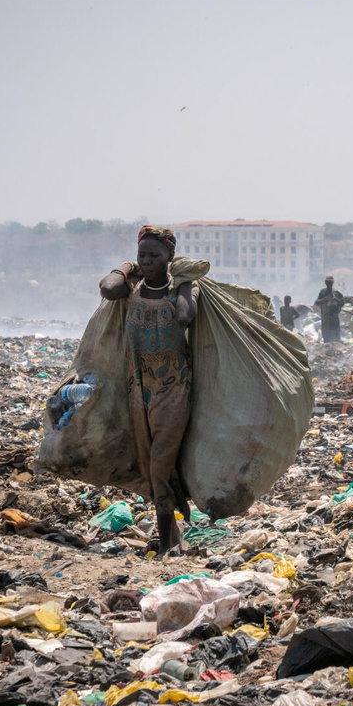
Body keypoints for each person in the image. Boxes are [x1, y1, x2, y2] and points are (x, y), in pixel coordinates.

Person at [99, 225, 198, 554]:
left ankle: (168, 541)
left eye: (155, 255)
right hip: (139, 387)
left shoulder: (181, 287)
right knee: (150, 463)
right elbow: (108, 288)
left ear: (170, 256)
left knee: (159, 463)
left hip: (174, 389)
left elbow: (185, 317)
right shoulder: (134, 286)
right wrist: (128, 267)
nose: (149, 260)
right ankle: (171, 536)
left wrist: (183, 282)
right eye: (144, 254)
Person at [315, 275, 344, 342]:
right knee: (326, 329)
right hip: (326, 314)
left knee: (335, 328)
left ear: (332, 283)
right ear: (325, 283)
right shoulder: (323, 292)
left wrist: (336, 299)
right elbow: (317, 302)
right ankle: (326, 340)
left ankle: (336, 340)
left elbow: (342, 303)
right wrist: (325, 299)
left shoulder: (336, 293)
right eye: (327, 282)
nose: (329, 284)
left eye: (330, 282)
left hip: (334, 314)